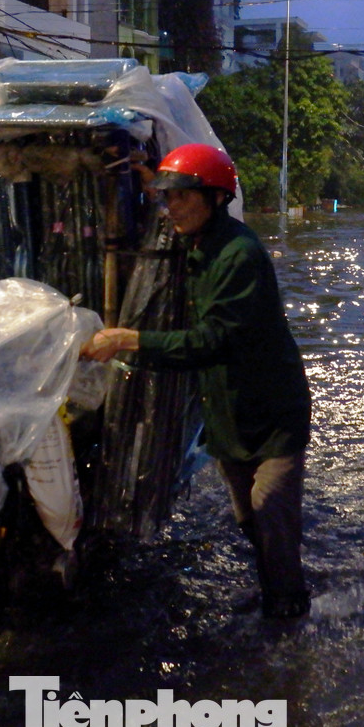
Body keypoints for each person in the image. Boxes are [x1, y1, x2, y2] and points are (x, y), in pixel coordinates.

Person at [80, 143, 313, 620]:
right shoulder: (196, 243)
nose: (173, 207)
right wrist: (149, 178)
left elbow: (212, 342)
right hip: (226, 413)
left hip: (273, 415)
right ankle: (275, 592)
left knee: (269, 510)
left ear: (216, 197)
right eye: (169, 198)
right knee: (250, 520)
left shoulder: (239, 255)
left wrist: (129, 339)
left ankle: (289, 615)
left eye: (184, 196)